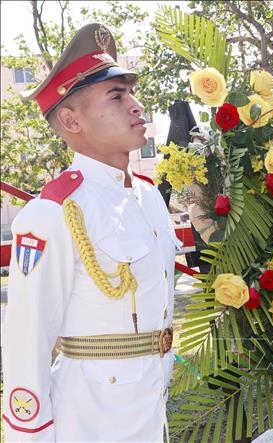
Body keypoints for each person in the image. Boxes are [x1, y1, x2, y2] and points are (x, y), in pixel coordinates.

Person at [2, 24, 180, 441]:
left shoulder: (149, 197)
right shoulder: (54, 213)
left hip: (151, 414)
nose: (137, 106)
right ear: (70, 119)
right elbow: (26, 345)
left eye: (132, 93)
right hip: (89, 422)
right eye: (117, 96)